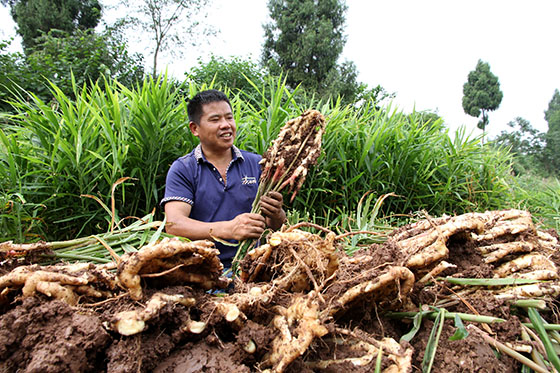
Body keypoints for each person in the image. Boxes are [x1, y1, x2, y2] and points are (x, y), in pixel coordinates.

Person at [160, 89, 286, 268]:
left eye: (229, 117)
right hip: (205, 270)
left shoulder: (258, 164)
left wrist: (276, 213)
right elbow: (174, 225)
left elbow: (275, 226)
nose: (226, 125)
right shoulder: (184, 169)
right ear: (195, 129)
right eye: (215, 119)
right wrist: (229, 229)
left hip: (255, 266)